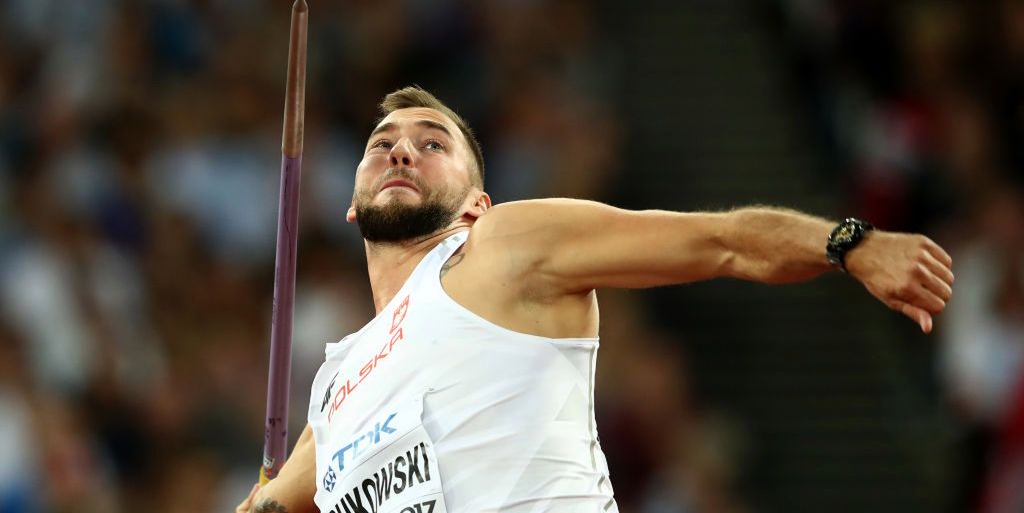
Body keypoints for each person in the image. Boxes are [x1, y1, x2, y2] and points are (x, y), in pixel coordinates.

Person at [237, 86, 954, 513]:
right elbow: (274, 500)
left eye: (432, 144)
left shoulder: (504, 248)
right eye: (382, 143)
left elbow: (720, 241)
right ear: (353, 206)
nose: (401, 151)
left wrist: (849, 244)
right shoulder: (335, 390)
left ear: (477, 202)